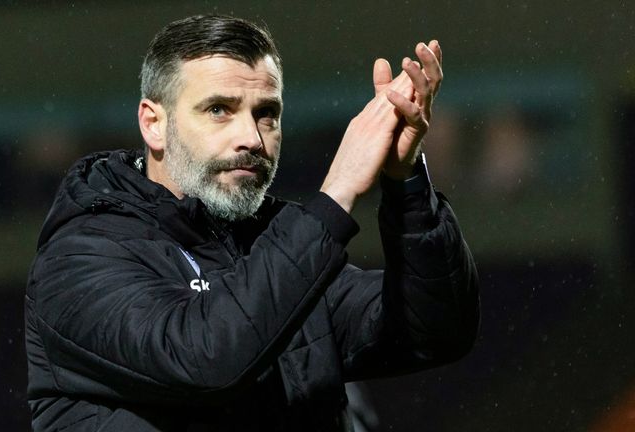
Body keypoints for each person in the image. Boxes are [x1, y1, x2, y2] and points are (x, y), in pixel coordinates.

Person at [25, 14, 479, 432]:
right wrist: (338, 190)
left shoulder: (278, 240)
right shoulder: (80, 255)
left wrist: (406, 182)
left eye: (267, 114)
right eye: (219, 109)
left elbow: (434, 331)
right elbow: (206, 362)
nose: (252, 138)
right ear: (153, 124)